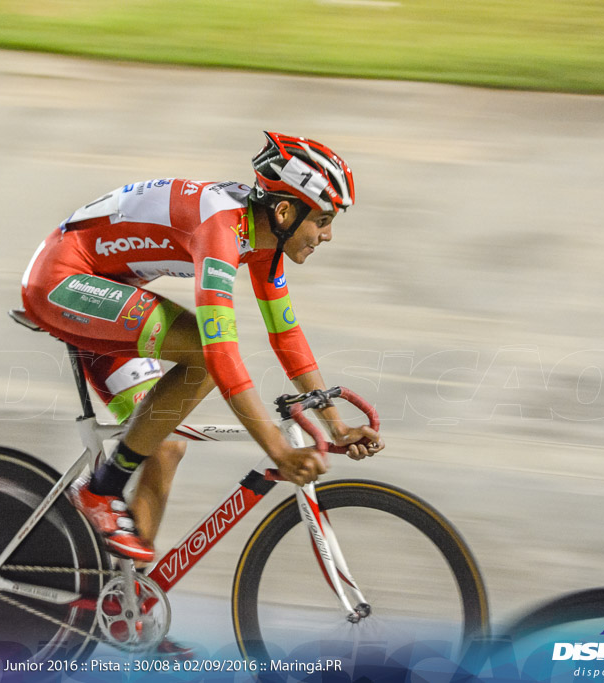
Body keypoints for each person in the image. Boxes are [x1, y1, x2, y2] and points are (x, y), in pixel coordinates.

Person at [20, 132, 384, 566]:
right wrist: (279, 451)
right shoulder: (221, 229)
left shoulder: (264, 241)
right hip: (62, 283)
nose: (327, 235)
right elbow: (219, 353)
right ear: (285, 210)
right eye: (322, 220)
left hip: (109, 291)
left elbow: (286, 336)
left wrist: (335, 426)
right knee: (205, 351)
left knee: (162, 445)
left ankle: (127, 608)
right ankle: (100, 491)